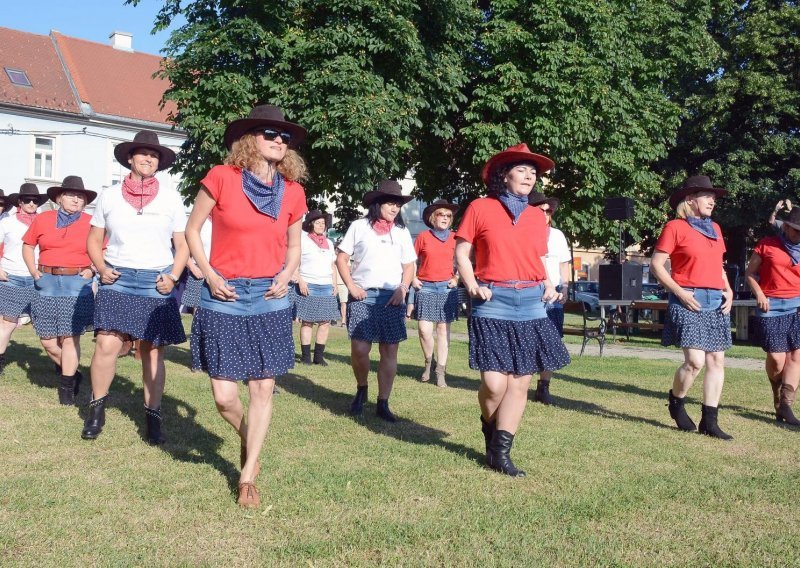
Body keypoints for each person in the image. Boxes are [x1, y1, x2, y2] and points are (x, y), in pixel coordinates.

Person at [186, 104, 308, 508]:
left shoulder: (292, 190)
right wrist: (209, 274)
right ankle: (248, 436)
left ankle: (247, 475)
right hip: (224, 292)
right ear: (248, 139)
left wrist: (288, 273)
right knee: (223, 396)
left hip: (270, 297)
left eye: (283, 137)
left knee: (262, 387)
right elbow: (192, 229)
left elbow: (294, 244)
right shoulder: (222, 178)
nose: (278, 141)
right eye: (269, 134)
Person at [455, 143, 570, 477]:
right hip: (494, 301)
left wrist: (549, 283)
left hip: (532, 301)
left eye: (533, 173)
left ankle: (501, 452)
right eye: (521, 170)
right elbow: (463, 252)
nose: (529, 176)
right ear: (503, 175)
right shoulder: (480, 207)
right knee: (494, 384)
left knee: (520, 382)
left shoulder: (537, 216)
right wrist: (472, 283)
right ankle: (489, 428)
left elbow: (537, 259)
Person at [81, 130, 189, 445]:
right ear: (130, 158)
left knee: (152, 353)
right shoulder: (110, 195)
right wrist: (101, 268)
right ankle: (96, 410)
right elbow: (93, 238)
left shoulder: (171, 198)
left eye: (154, 155)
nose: (148, 159)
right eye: (143, 154)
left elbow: (181, 245)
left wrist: (173, 274)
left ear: (159, 162)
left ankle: (153, 417)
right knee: (106, 345)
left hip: (157, 280)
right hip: (119, 278)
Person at [650, 175, 734, 440]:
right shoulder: (675, 227)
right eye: (707, 196)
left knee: (716, 360)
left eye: (714, 197)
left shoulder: (716, 229)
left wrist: (728, 289)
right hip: (689, 298)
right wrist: (678, 292)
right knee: (695, 362)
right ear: (690, 199)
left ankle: (710, 421)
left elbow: (717, 265)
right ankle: (676, 401)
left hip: (715, 299)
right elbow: (656, 264)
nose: (712, 200)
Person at [336, 180, 416, 422]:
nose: (395, 208)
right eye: (391, 203)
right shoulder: (359, 227)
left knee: (389, 350)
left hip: (392, 297)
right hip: (363, 295)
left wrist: (403, 288)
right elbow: (341, 258)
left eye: (398, 204)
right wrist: (351, 286)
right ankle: (362, 388)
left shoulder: (402, 232)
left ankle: (383, 402)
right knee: (360, 349)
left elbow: (409, 265)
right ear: (377, 203)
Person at [21, 176, 96, 405]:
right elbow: (28, 245)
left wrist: (92, 269)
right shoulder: (43, 219)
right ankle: (73, 373)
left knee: (70, 339)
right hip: (46, 283)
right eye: (71, 195)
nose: (76, 199)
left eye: (80, 196)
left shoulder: (92, 222)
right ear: (59, 198)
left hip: (76, 284)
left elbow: (105, 249)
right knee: (47, 340)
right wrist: (33, 271)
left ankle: (66, 389)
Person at [745, 207, 800, 426]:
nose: (799, 235)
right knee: (777, 359)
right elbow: (750, 273)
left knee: (796, 356)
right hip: (771, 306)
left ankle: (786, 406)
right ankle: (777, 394)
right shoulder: (767, 244)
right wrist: (759, 293)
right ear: (785, 227)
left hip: (798, 305)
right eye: (796, 230)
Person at [412, 199, 460, 387]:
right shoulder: (423, 236)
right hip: (425, 287)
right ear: (433, 217)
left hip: (446, 289)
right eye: (441, 214)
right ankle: (428, 361)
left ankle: (440, 370)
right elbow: (410, 260)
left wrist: (456, 279)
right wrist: (414, 278)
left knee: (442, 330)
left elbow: (463, 261)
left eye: (449, 216)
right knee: (424, 331)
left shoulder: (456, 238)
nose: (445, 218)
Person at [528, 192, 571, 404]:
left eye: (548, 211)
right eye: (540, 210)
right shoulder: (521, 233)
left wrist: (565, 287)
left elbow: (564, 264)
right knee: (527, 339)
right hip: (529, 290)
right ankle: (520, 384)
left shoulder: (557, 235)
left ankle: (543, 387)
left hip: (553, 293)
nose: (545, 214)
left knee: (551, 340)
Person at [0, 183, 47, 375]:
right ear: (19, 202)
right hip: (12, 277)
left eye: (35, 200)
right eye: (27, 200)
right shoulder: (7, 223)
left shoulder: (44, 222)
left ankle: (62, 364)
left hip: (40, 278)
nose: (31, 203)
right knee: (7, 323)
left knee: (48, 324)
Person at [295, 210, 339, 366]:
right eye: (317, 222)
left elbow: (332, 266)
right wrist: (300, 280)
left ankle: (319, 357)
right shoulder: (303, 240)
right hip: (309, 284)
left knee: (325, 322)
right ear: (311, 224)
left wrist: (334, 284)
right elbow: (295, 263)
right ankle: (306, 356)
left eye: (323, 223)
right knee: (307, 322)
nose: (321, 225)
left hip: (326, 285)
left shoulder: (330, 243)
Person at [181, 217, 212, 313]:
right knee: (197, 306)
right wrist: (192, 267)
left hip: (221, 269)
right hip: (199, 269)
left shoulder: (224, 219)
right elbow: (181, 249)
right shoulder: (197, 221)